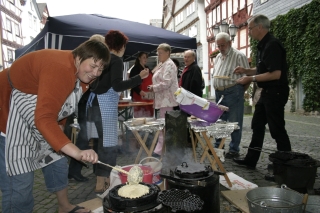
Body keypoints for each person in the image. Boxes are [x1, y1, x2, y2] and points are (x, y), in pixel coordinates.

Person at [0, 40, 110, 213]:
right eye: (93, 65)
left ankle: (64, 207)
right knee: (20, 180)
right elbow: (44, 118)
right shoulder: (60, 68)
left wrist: (60, 125)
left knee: (57, 161)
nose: (95, 73)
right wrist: (77, 152)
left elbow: (62, 102)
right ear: (79, 57)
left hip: (39, 116)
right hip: (8, 113)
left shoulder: (81, 74)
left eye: (100, 69)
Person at [84, 30, 149, 193]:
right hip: (104, 105)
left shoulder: (102, 59)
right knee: (108, 145)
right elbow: (117, 85)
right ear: (121, 45)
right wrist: (138, 77)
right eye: (125, 45)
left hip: (93, 103)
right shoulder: (116, 60)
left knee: (99, 143)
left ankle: (102, 177)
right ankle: (102, 183)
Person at [233, 14, 291, 169]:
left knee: (276, 128)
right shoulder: (262, 45)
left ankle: (286, 164)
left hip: (276, 92)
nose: (249, 32)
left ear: (259, 27)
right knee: (257, 124)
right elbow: (262, 69)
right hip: (267, 92)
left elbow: (275, 74)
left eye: (250, 28)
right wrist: (246, 70)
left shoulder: (272, 45)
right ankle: (251, 160)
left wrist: (250, 79)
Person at [66, 34, 107, 183]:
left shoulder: (92, 65)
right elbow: (93, 87)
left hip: (89, 107)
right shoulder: (85, 63)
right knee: (85, 138)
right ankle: (74, 171)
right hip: (87, 108)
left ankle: (93, 168)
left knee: (92, 137)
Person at [212, 32, 250, 159]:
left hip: (233, 92)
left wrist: (239, 92)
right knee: (220, 121)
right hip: (219, 92)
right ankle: (219, 146)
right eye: (218, 46)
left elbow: (247, 78)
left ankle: (234, 149)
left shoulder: (239, 56)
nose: (221, 48)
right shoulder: (218, 57)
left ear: (229, 43)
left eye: (223, 45)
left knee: (234, 121)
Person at [147, 43, 179, 156]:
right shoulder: (162, 64)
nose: (158, 55)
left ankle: (160, 150)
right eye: (158, 53)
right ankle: (161, 148)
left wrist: (153, 87)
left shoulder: (169, 64)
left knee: (164, 125)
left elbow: (167, 82)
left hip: (167, 100)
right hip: (162, 100)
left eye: (160, 53)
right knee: (162, 125)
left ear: (168, 53)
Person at [129, 52, 154, 117]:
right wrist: (139, 91)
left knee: (149, 116)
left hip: (149, 96)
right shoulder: (135, 69)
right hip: (139, 96)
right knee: (140, 116)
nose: (145, 59)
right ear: (139, 58)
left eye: (146, 58)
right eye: (144, 57)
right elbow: (132, 83)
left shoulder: (147, 68)